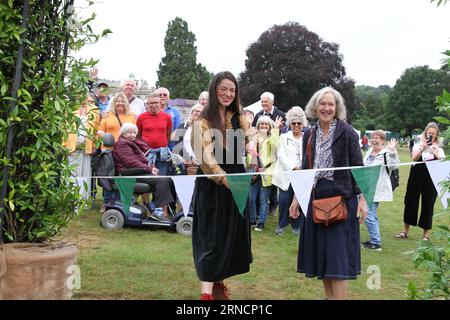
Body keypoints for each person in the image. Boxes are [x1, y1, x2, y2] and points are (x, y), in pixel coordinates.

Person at [289, 87, 368, 300]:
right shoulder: (309, 133)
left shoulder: (348, 132)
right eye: (322, 104)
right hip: (315, 196)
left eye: (331, 104)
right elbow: (306, 169)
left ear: (337, 108)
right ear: (315, 107)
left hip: (342, 196)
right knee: (321, 255)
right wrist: (297, 197)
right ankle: (330, 298)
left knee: (338, 256)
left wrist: (362, 199)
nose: (326, 108)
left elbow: (358, 168)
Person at [190, 71, 256, 300]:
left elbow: (252, 138)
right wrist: (225, 179)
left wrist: (253, 148)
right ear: (214, 90)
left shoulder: (239, 116)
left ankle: (218, 285)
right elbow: (205, 158)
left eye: (232, 90)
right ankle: (206, 295)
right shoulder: (203, 121)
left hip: (236, 183)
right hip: (213, 186)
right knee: (211, 238)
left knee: (229, 237)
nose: (228, 94)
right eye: (223, 89)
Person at [113, 123, 175, 221]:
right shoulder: (122, 143)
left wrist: (151, 167)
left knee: (166, 179)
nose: (132, 135)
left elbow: (139, 160)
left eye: (134, 132)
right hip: (127, 173)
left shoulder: (129, 142)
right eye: (129, 132)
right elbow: (130, 162)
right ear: (123, 133)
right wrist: (149, 169)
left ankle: (161, 209)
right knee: (162, 180)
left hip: (134, 171)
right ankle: (160, 212)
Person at [397, 122, 445, 241]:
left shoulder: (439, 148)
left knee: (428, 204)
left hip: (431, 176)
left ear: (437, 135)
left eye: (433, 134)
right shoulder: (418, 145)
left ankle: (425, 235)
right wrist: (423, 149)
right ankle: (405, 231)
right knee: (410, 201)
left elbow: (442, 164)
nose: (431, 135)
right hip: (416, 175)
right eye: (429, 133)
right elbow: (414, 158)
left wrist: (435, 153)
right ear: (425, 133)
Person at [272, 106, 308, 236]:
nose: (296, 125)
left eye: (299, 123)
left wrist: (302, 168)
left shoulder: (307, 137)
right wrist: (293, 167)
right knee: (284, 200)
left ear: (303, 123)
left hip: (302, 175)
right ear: (290, 124)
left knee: (298, 200)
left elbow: (308, 155)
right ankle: (282, 224)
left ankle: (296, 225)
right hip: (287, 174)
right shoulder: (284, 137)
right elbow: (281, 155)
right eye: (294, 123)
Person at [362, 130, 399, 251]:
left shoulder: (386, 152)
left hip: (377, 188)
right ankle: (375, 239)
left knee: (368, 214)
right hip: (367, 186)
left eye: (377, 137)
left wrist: (392, 150)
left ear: (382, 140)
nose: (374, 139)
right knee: (372, 213)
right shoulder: (369, 151)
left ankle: (376, 243)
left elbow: (394, 166)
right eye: (372, 137)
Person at [246, 115, 283, 232]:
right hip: (254, 174)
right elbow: (248, 159)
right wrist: (252, 159)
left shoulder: (273, 138)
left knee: (263, 200)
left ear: (269, 126)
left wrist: (276, 129)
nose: (263, 126)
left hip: (267, 174)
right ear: (258, 125)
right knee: (251, 198)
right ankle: (252, 219)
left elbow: (276, 146)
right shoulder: (253, 139)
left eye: (266, 124)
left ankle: (261, 223)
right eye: (261, 124)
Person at [252, 92, 285, 216]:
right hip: (261, 150)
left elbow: (285, 131)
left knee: (273, 180)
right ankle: (260, 210)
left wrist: (275, 131)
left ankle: (274, 203)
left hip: (275, 150)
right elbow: (254, 129)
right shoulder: (258, 115)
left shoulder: (280, 115)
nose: (263, 104)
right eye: (262, 102)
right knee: (262, 181)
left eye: (266, 102)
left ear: (272, 102)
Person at [63, 94, 100, 201]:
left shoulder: (94, 110)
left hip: (86, 149)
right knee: (72, 173)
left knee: (85, 174)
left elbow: (96, 130)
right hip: (72, 148)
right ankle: (70, 199)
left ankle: (83, 199)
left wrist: (94, 145)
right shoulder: (69, 110)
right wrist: (65, 146)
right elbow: (64, 129)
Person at [136, 93, 173, 176]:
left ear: (160, 103)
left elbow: (168, 134)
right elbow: (138, 135)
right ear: (147, 104)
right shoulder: (141, 117)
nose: (153, 105)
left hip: (162, 154)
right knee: (147, 178)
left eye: (156, 102)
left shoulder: (167, 117)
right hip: (147, 154)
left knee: (162, 178)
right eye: (151, 103)